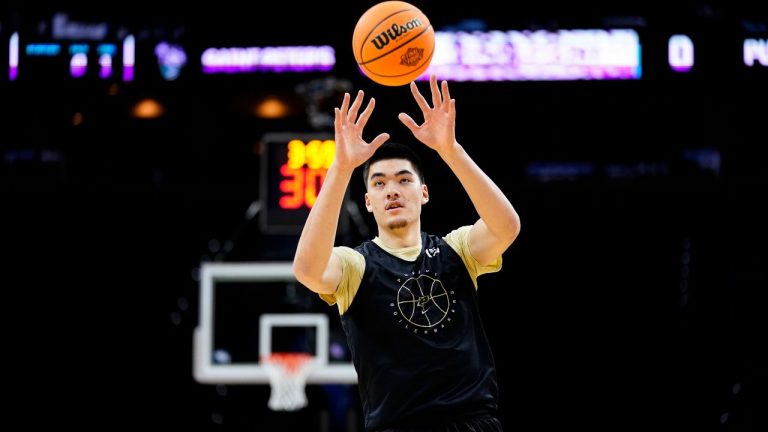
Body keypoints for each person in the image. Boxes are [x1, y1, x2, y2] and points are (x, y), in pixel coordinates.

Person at [292, 74, 521, 432]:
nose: (391, 190)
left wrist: (450, 150)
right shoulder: (357, 265)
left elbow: (506, 226)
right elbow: (306, 268)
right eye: (379, 183)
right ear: (368, 202)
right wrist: (341, 168)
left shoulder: (455, 249)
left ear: (424, 193)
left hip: (473, 421)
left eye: (403, 179)